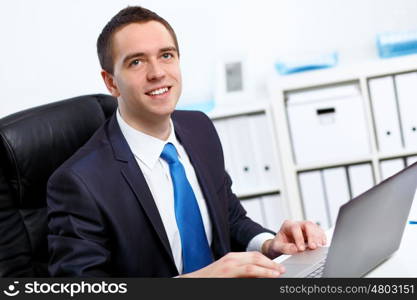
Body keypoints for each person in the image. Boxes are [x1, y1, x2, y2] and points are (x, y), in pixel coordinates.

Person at [47, 6, 326, 278]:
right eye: (136, 62)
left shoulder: (199, 128)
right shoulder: (79, 183)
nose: (157, 72)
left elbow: (230, 220)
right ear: (111, 83)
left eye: (166, 55)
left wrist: (269, 244)